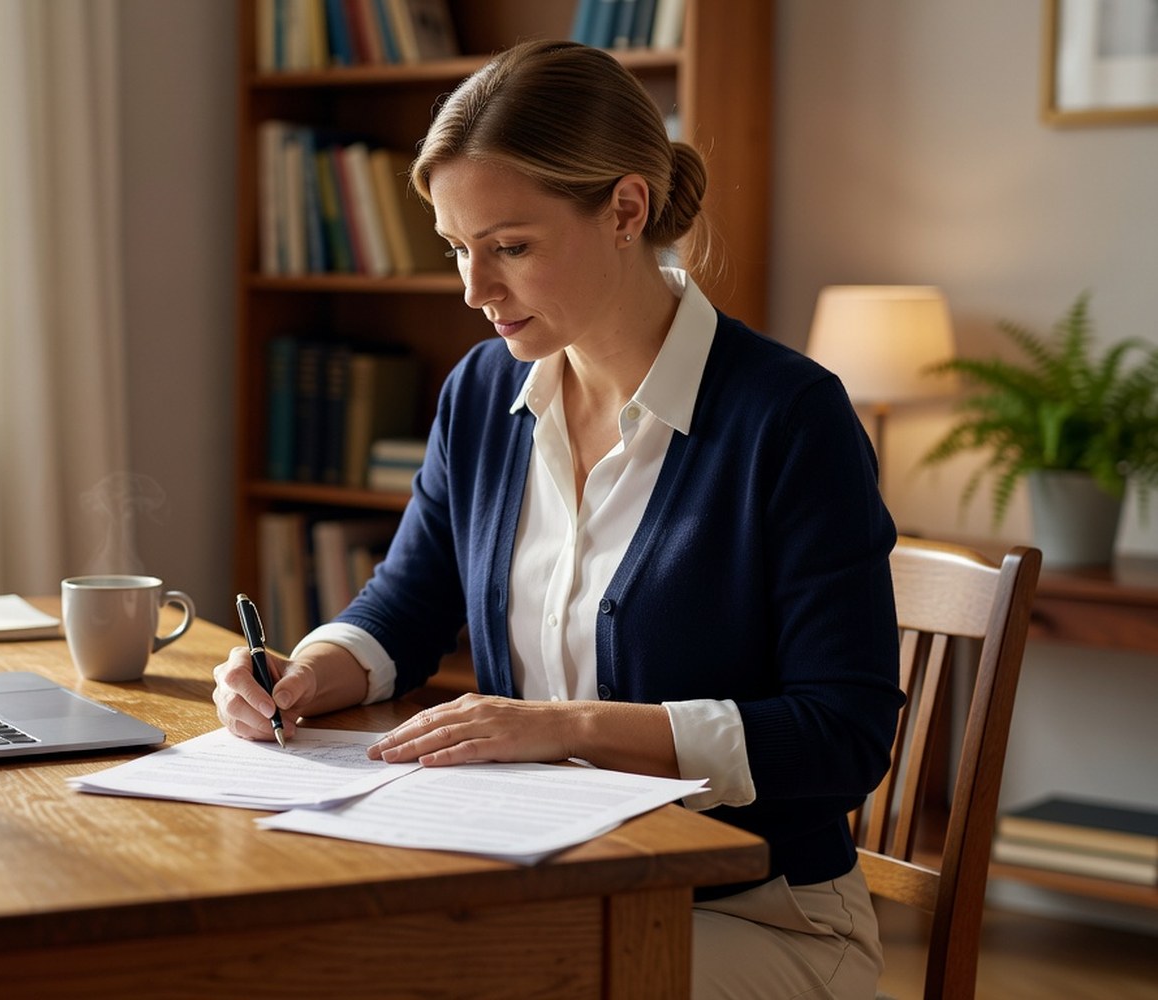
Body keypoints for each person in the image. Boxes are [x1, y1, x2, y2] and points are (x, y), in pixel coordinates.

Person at [214, 39, 904, 999]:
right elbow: (404, 609)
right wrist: (307, 674)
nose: (473, 288)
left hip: (758, 914)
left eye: (512, 246)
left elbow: (843, 735)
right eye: (457, 246)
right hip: (545, 889)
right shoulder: (483, 393)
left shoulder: (788, 419)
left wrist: (565, 725)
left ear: (626, 209)